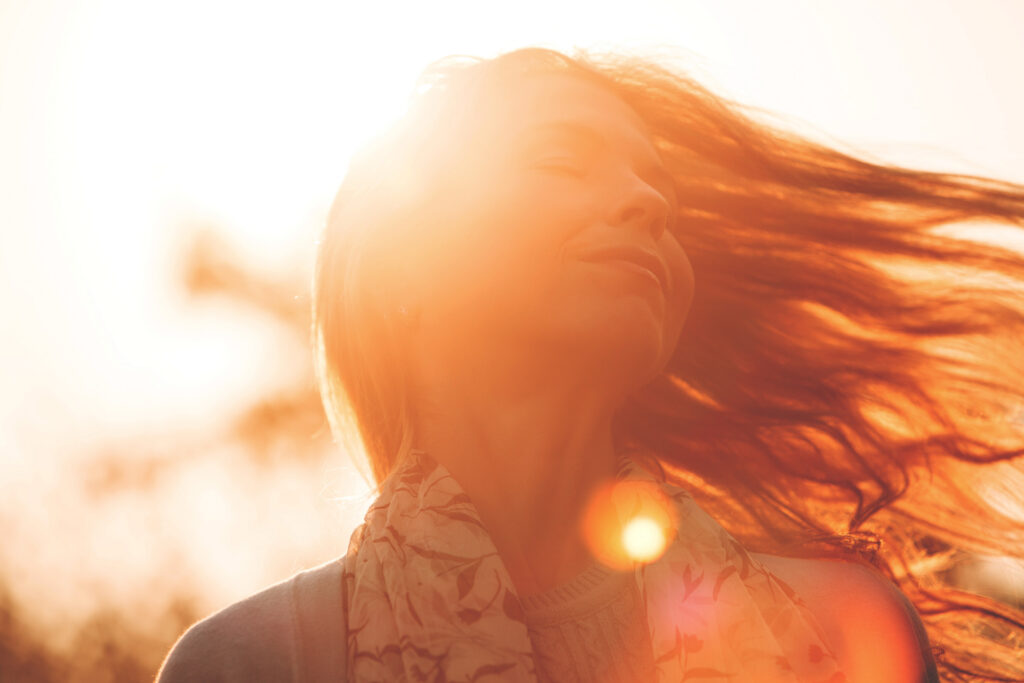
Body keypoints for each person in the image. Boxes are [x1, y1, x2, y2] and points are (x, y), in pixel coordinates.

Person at [156, 46, 1024, 682]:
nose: (647, 203)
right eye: (561, 161)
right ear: (408, 265)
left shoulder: (842, 633)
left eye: (663, 196)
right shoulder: (254, 663)